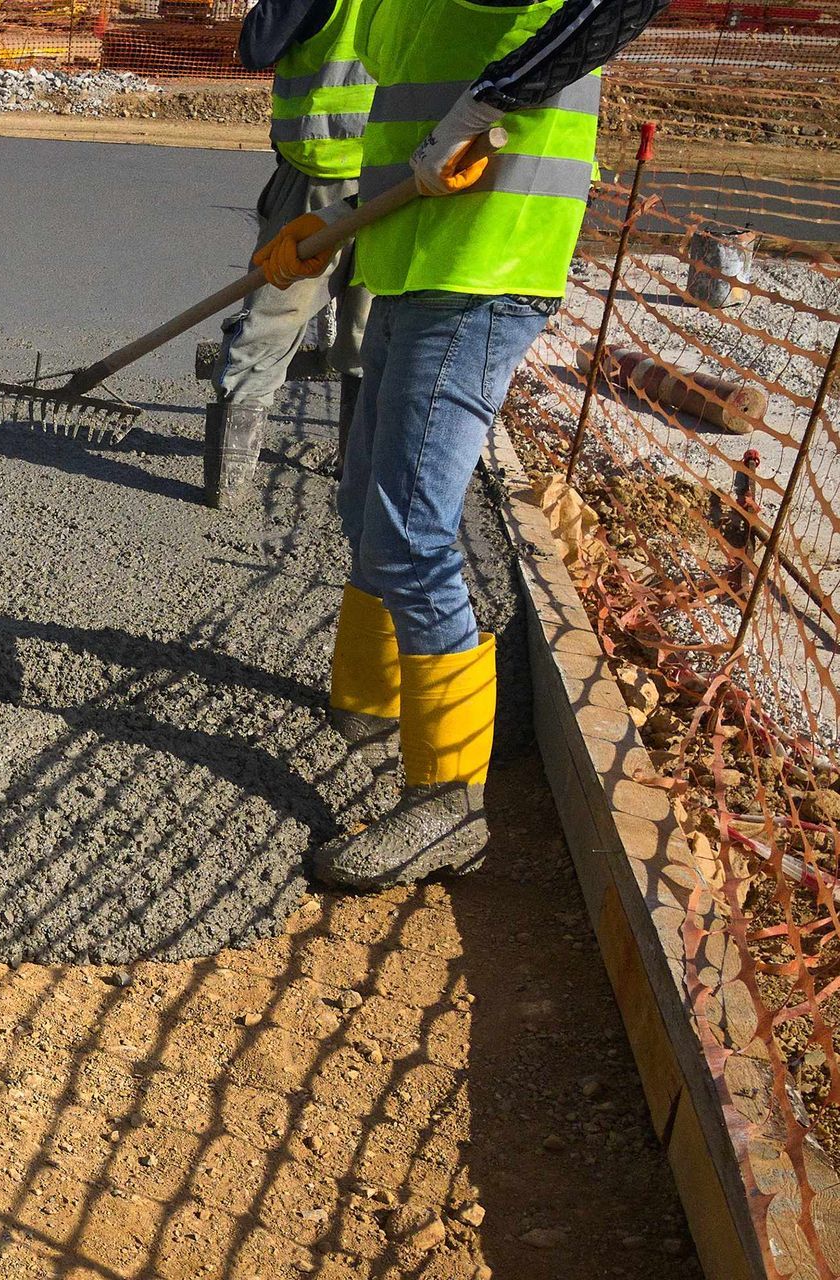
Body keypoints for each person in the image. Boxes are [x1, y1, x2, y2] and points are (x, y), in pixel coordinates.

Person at [247, 0, 669, 886]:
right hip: (410, 262)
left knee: (409, 531)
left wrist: (486, 104)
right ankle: (370, 704)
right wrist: (334, 226)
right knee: (362, 502)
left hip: (485, 272)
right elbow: (413, 140)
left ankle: (448, 806)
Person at [203, 0, 375, 508]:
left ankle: (228, 487)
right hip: (402, 177)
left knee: (270, 324)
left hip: (324, 180)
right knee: (372, 337)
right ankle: (358, 474)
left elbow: (257, 45)